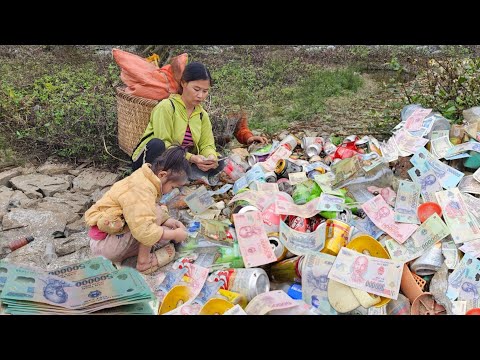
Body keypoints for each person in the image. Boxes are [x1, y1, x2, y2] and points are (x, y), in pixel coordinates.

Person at [131, 61, 268, 181]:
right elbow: (166, 145)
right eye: (196, 89)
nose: (200, 95)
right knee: (157, 145)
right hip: (153, 158)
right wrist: (192, 158)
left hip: (179, 160)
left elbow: (207, 144)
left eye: (205, 91)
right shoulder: (167, 107)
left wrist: (210, 157)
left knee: (218, 162)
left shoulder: (202, 115)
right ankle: (154, 179)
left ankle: (176, 179)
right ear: (184, 84)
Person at [84, 146, 189, 275]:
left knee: (162, 225)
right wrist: (174, 235)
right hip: (104, 246)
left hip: (108, 238)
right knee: (157, 216)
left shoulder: (145, 177)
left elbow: (141, 212)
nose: (172, 191)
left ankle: (137, 254)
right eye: (173, 187)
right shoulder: (141, 189)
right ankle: (143, 263)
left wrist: (168, 221)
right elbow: (145, 230)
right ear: (162, 175)